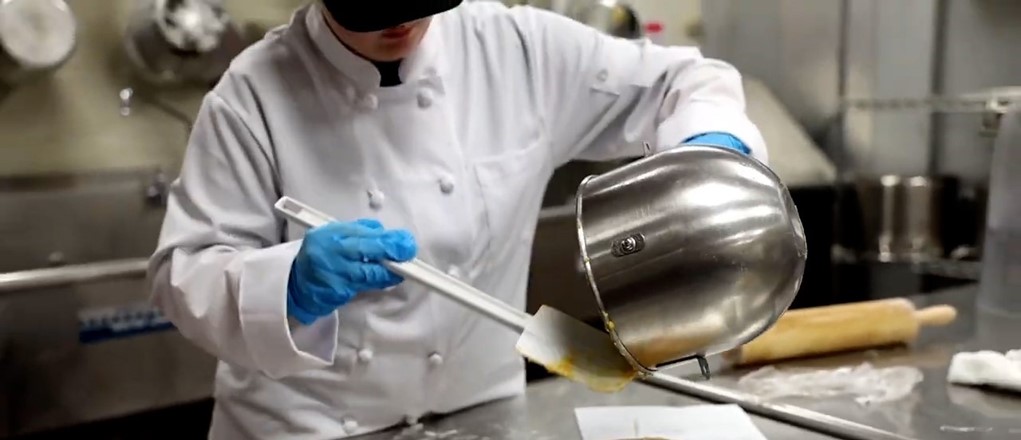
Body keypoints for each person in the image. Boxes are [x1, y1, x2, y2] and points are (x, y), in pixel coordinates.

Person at [147, 0, 770, 438]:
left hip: (481, 419)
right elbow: (186, 272)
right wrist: (285, 284)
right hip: (306, 428)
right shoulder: (252, 93)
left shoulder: (516, 49)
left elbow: (685, 81)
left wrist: (710, 144)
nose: (398, 22)